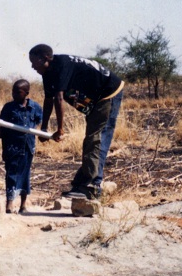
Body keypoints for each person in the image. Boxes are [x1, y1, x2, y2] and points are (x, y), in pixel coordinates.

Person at [29, 44, 124, 199]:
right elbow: (48, 100)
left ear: (45, 58)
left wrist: (60, 129)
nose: (32, 67)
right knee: (92, 140)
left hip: (108, 91)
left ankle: (91, 186)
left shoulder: (61, 65)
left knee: (96, 139)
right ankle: (82, 183)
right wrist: (44, 128)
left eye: (34, 62)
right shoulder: (47, 73)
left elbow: (59, 98)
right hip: (96, 96)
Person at [0, 80, 42, 214]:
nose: (14, 94)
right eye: (13, 91)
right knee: (11, 174)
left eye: (18, 92)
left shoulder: (35, 107)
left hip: (28, 146)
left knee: (25, 175)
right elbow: (3, 130)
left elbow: (39, 121)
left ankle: (23, 204)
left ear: (26, 93)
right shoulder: (8, 108)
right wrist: (4, 149)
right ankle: (10, 203)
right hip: (12, 147)